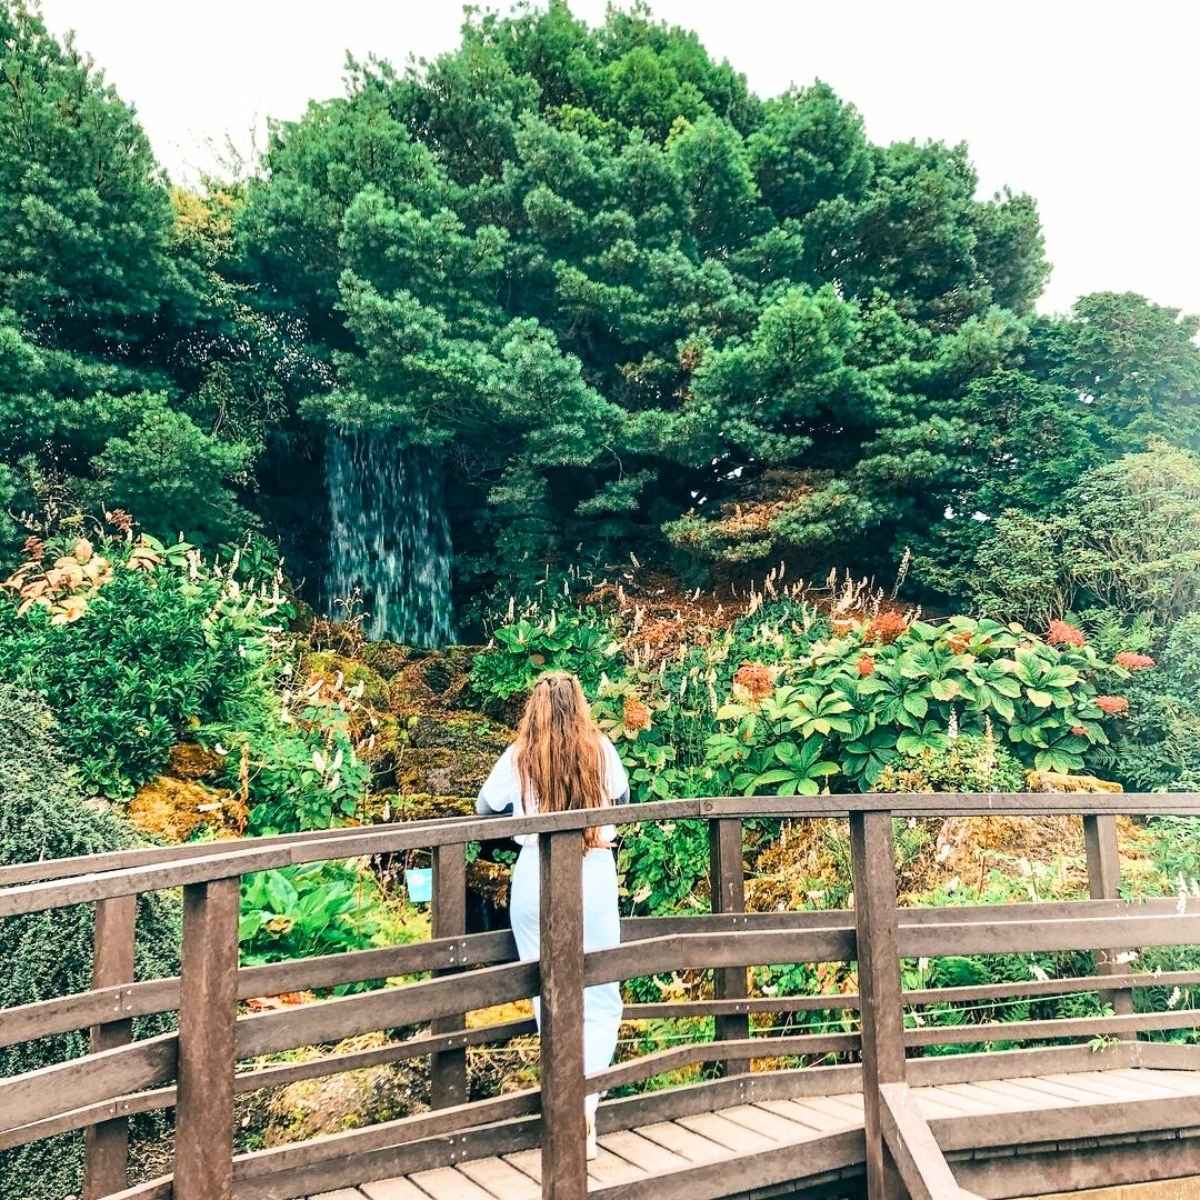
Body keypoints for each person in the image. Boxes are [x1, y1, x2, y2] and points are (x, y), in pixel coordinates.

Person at [476, 671, 628, 1160]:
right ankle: (586, 1101)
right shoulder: (601, 749)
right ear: (581, 706)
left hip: (534, 874)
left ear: (534, 710)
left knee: (549, 991)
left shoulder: (520, 754)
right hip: (595, 871)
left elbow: (485, 806)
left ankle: (564, 1103)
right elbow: (623, 800)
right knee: (601, 995)